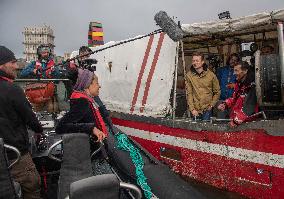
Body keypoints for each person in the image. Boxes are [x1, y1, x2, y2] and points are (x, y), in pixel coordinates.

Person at [0, 46, 43, 199]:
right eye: (12, 62)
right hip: (16, 157)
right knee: (33, 185)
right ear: (2, 65)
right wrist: (40, 130)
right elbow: (31, 119)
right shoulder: (12, 89)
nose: (16, 66)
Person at [56, 69, 106, 142]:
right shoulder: (83, 102)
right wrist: (92, 129)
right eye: (97, 83)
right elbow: (61, 127)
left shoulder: (84, 99)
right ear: (87, 85)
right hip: (91, 148)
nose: (99, 86)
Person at [20, 44, 60, 112]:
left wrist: (55, 71)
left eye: (48, 52)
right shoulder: (33, 64)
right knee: (34, 111)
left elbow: (57, 80)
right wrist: (33, 71)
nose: (46, 54)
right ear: (39, 53)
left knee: (52, 110)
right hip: (36, 93)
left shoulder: (53, 65)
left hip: (49, 94)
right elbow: (22, 74)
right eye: (44, 52)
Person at [217, 61, 258, 127]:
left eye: (236, 71)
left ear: (245, 71)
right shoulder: (239, 84)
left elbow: (248, 109)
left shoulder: (251, 87)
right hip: (237, 119)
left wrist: (235, 122)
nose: (234, 73)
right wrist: (225, 104)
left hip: (246, 124)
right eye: (234, 71)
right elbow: (234, 98)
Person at [185, 52, 221, 120]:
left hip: (207, 109)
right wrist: (192, 109)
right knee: (195, 129)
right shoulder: (189, 75)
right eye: (193, 61)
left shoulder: (211, 75)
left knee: (206, 128)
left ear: (202, 62)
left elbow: (217, 92)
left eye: (197, 61)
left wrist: (211, 105)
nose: (195, 63)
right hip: (195, 109)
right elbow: (189, 93)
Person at [216, 53, 239, 118]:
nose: (233, 61)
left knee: (232, 119)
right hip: (221, 99)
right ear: (229, 60)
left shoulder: (238, 71)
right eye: (232, 59)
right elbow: (215, 83)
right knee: (221, 119)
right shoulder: (221, 70)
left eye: (235, 60)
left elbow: (242, 84)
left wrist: (235, 85)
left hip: (233, 101)